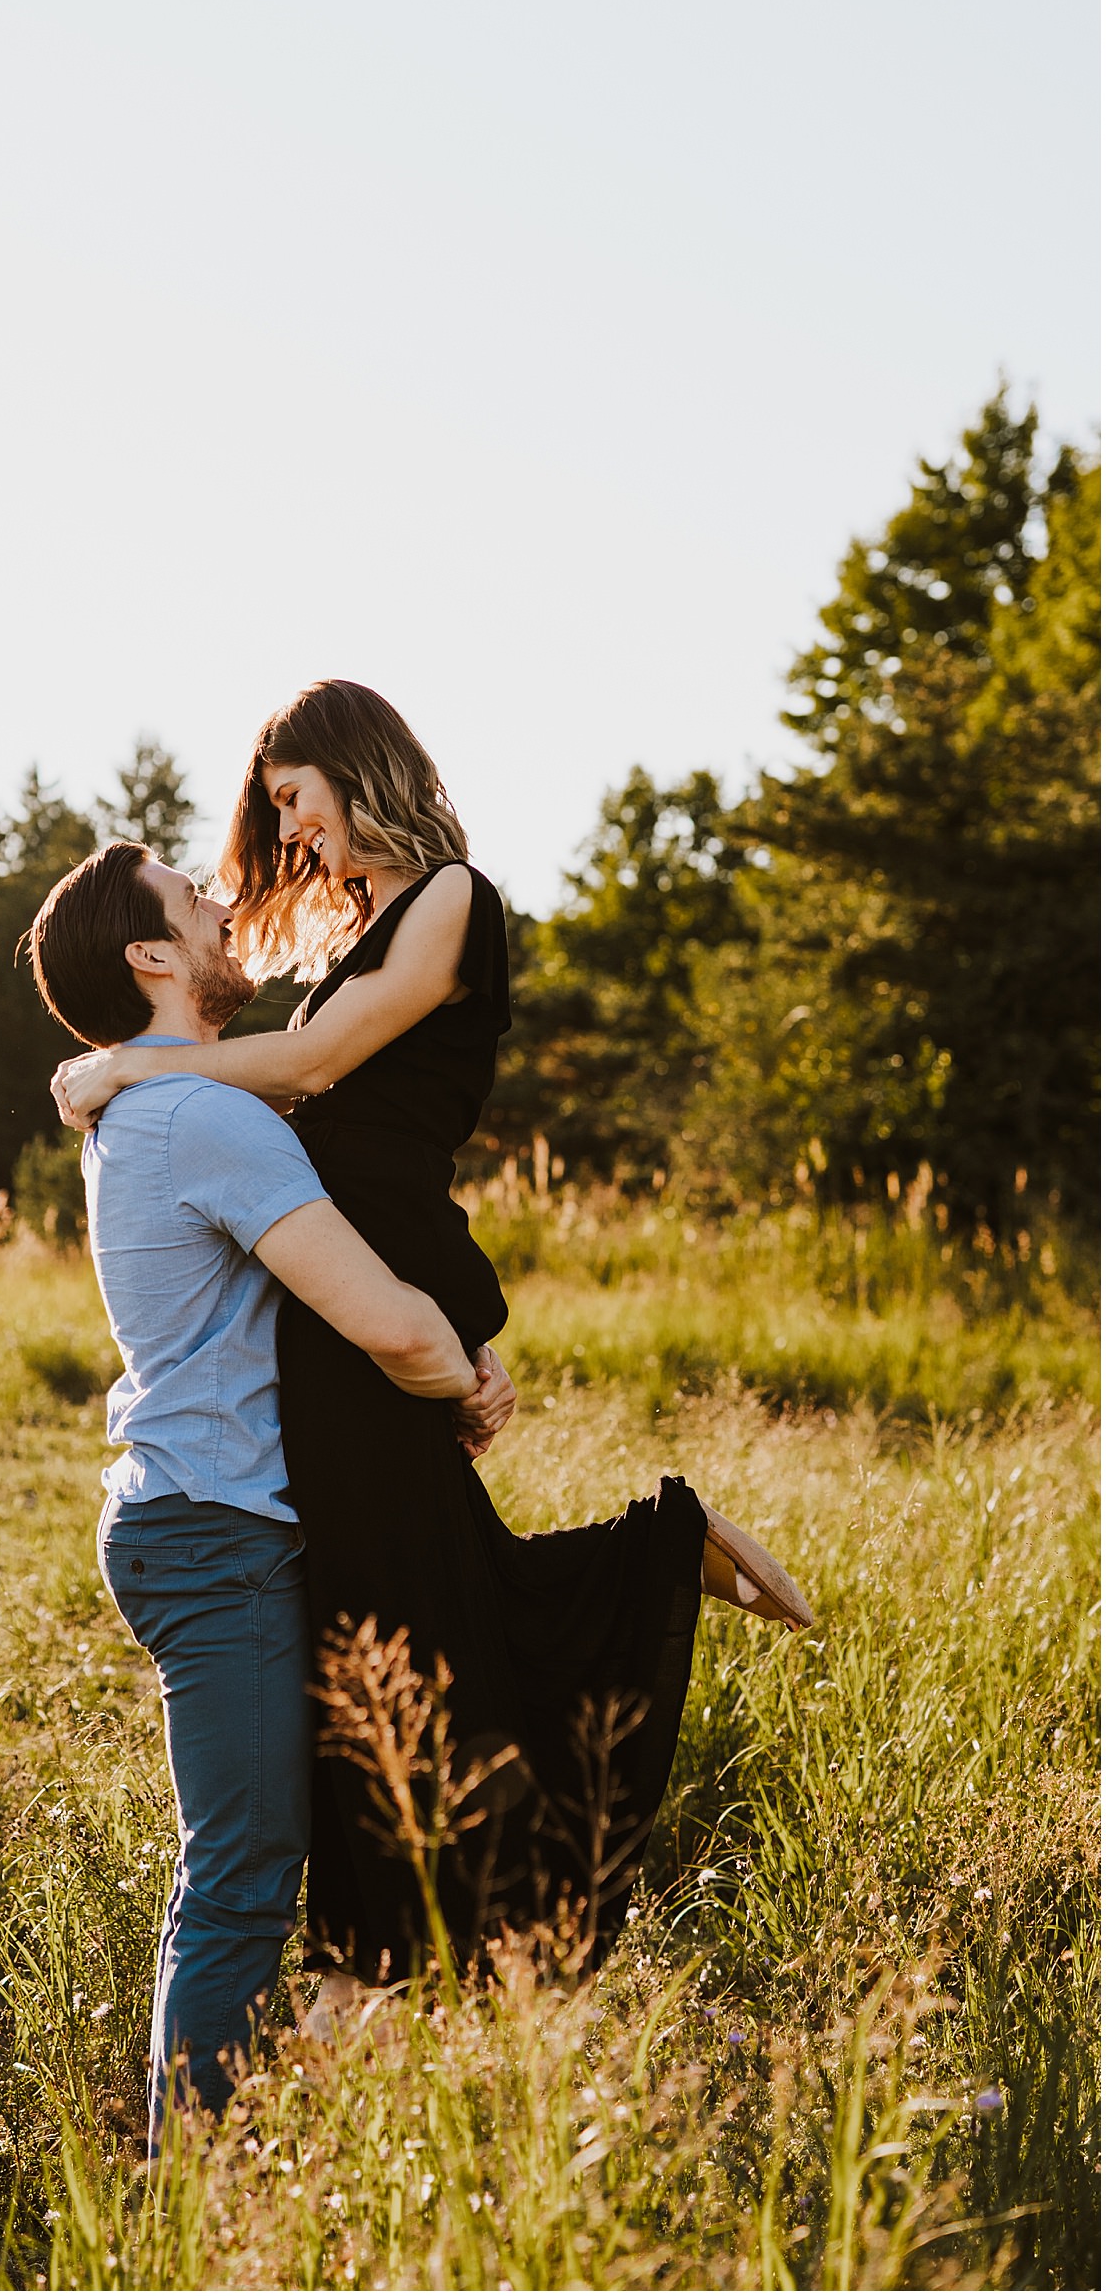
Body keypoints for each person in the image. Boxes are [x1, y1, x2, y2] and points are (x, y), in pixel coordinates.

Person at [53, 680, 812, 2023]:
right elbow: (290, 1058)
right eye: (275, 807)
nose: (286, 830)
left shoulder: (450, 894)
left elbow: (316, 1059)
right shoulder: (344, 940)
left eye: (296, 796)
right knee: (417, 1603)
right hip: (365, 1285)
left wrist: (130, 1068)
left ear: (359, 769)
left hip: (386, 1241)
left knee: (419, 1602)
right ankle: (368, 1970)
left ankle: (647, 1565)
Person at [24, 837, 513, 2148]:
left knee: (293, 1854)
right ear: (152, 958)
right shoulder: (206, 1116)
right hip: (214, 1534)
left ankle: (282, 2129)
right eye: (196, 904)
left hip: (214, 1522)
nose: (227, 908)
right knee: (243, 1878)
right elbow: (391, 1331)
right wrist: (458, 1371)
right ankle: (197, 2196)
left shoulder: (168, 1104)